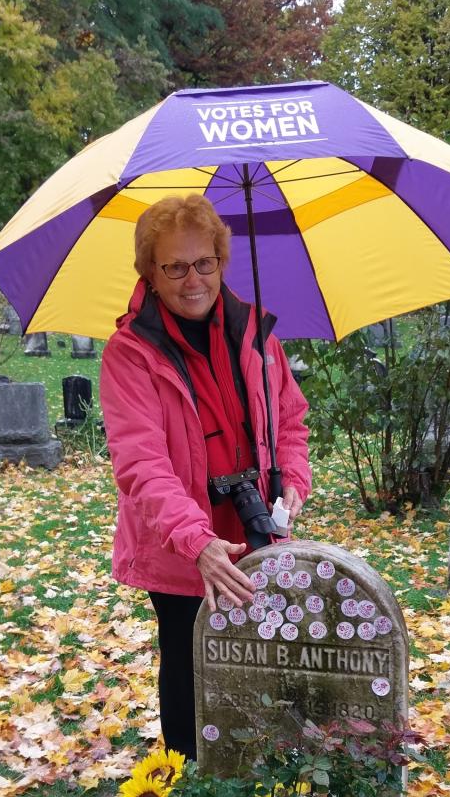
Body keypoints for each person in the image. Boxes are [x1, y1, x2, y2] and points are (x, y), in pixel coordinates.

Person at [99, 194, 311, 761]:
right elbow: (141, 464)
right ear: (150, 270)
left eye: (203, 263)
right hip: (180, 546)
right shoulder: (130, 354)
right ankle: (192, 792)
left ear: (221, 262)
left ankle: (257, 780)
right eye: (173, 266)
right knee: (190, 666)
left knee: (260, 661)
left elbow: (289, 419)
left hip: (258, 529)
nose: (192, 279)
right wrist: (198, 542)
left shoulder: (255, 334)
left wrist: (292, 476)